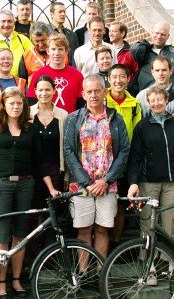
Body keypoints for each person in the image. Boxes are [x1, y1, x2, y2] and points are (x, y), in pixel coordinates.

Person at [0, 87, 59, 298]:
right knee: (2, 235)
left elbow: (40, 161)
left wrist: (51, 187)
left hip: (26, 185)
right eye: (11, 103)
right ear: (4, 106)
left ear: (24, 106)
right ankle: (1, 283)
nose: (16, 107)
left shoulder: (30, 128)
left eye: (19, 104)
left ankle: (16, 281)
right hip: (2, 186)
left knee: (20, 234)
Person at [127, 85, 174, 285]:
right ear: (148, 102)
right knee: (148, 225)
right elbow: (135, 158)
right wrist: (133, 183)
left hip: (172, 182)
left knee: (170, 224)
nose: (156, 103)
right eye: (153, 100)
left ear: (166, 101)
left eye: (160, 99)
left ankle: (170, 264)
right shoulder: (142, 126)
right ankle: (150, 267)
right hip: (149, 182)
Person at [64, 74, 129, 262]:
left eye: (97, 91)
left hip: (107, 185)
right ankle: (83, 274)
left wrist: (105, 181)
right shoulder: (73, 119)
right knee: (83, 230)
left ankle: (102, 272)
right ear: (83, 94)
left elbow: (124, 151)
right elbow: (68, 151)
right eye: (89, 92)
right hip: (81, 185)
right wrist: (87, 182)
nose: (93, 95)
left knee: (102, 229)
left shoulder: (115, 119)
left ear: (105, 92)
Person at [26, 75, 68, 267]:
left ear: (54, 91)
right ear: (34, 92)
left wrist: (66, 175)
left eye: (48, 89)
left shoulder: (63, 115)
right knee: (32, 214)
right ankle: (32, 257)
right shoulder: (27, 113)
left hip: (55, 170)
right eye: (40, 90)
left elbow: (67, 147)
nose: (44, 93)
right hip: (31, 172)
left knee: (53, 214)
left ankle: (50, 257)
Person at [105, 64, 142, 251]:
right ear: (108, 80)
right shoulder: (102, 101)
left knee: (120, 205)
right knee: (106, 204)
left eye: (122, 77)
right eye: (114, 77)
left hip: (126, 163)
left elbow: (137, 134)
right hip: (104, 163)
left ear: (128, 80)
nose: (118, 81)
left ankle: (116, 243)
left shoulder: (134, 104)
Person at [133, 20, 174, 104]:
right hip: (148, 102)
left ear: (168, 36)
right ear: (151, 33)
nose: (159, 36)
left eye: (163, 34)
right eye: (157, 33)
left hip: (172, 102)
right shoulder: (141, 54)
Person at [27, 33, 84, 114]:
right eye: (53, 49)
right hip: (46, 123)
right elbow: (32, 103)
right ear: (48, 51)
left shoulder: (77, 75)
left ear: (67, 51)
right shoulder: (39, 75)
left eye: (60, 49)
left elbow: (81, 104)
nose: (56, 53)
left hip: (70, 122)